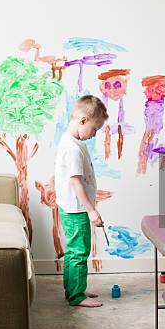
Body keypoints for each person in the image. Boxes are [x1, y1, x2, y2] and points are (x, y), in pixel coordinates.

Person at [55, 94, 109, 307]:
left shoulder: (70, 142)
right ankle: (77, 297)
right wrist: (91, 211)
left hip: (70, 206)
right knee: (79, 251)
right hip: (76, 209)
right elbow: (76, 182)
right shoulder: (73, 149)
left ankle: (74, 290)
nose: (94, 134)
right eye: (94, 129)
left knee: (73, 250)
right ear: (83, 121)